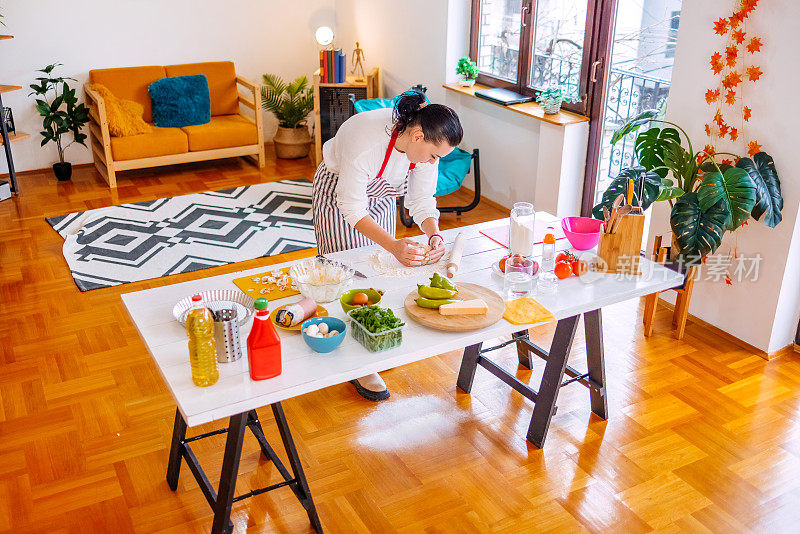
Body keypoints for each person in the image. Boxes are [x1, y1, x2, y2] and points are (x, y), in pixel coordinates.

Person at [312, 91, 463, 401]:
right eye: (434, 156)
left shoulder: (423, 146)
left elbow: (420, 201)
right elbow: (352, 207)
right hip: (338, 196)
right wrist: (395, 244)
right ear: (419, 136)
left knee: (378, 272)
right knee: (346, 276)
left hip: (380, 197)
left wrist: (433, 234)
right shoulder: (365, 140)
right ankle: (356, 364)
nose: (434, 162)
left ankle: (372, 339)